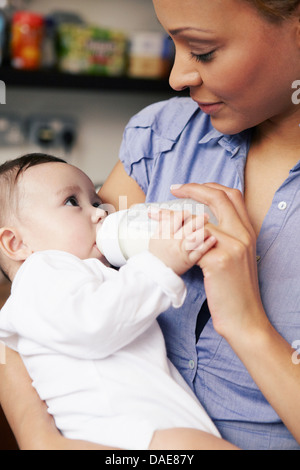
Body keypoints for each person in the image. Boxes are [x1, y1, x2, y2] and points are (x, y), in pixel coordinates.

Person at [0, 0, 300, 450]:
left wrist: (247, 324)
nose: (177, 77)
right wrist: (38, 435)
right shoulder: (164, 138)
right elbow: (33, 316)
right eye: (171, 42)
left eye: (202, 50)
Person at [0, 154, 236, 451]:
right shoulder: (41, 272)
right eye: (72, 202)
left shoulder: (80, 275)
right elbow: (93, 323)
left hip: (141, 430)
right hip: (128, 432)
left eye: (97, 202)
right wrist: (161, 264)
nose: (101, 214)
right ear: (16, 243)